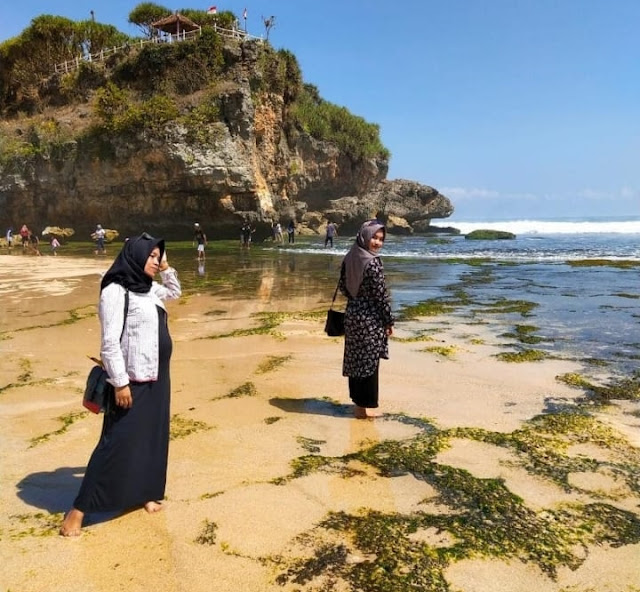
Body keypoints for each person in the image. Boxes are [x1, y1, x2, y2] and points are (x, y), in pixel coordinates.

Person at [60, 233, 181, 536]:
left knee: (152, 438)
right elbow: (109, 343)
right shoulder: (115, 291)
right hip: (131, 379)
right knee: (116, 441)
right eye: (151, 256)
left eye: (157, 256)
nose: (155, 261)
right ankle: (78, 510)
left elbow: (175, 291)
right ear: (135, 255)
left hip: (158, 376)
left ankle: (145, 493)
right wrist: (120, 383)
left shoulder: (149, 289)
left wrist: (165, 266)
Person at [338, 220, 394, 419]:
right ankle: (364, 408)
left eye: (381, 239)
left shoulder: (350, 257)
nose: (377, 243)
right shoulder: (373, 263)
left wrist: (357, 298)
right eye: (374, 237)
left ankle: (358, 406)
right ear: (365, 236)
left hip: (353, 315)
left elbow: (343, 288)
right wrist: (388, 321)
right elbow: (381, 296)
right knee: (369, 364)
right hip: (370, 318)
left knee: (355, 361)